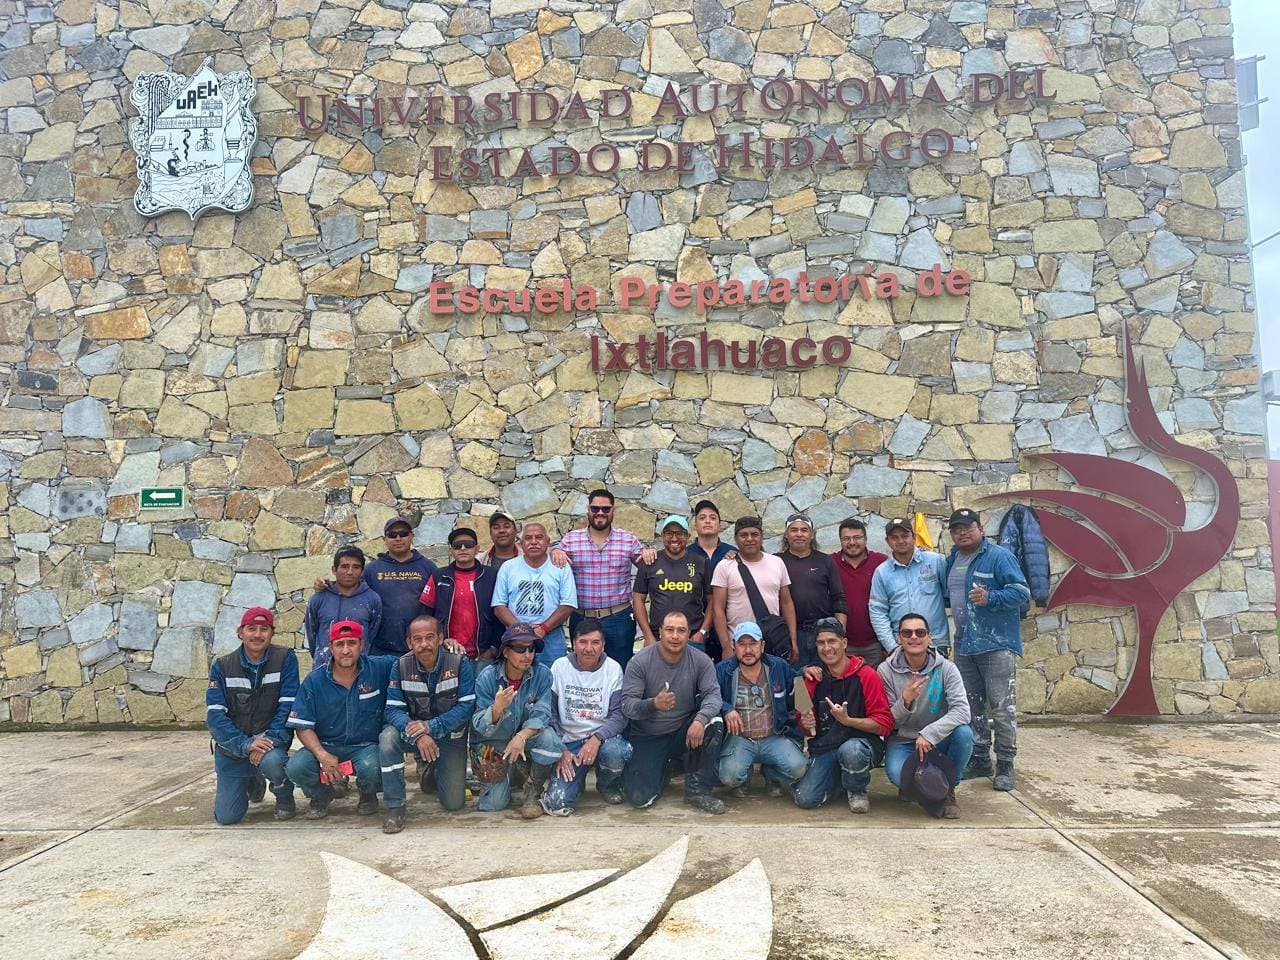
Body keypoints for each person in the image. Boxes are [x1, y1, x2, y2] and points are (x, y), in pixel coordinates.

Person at [944, 508, 1031, 792]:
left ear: (981, 529)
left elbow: (1022, 593)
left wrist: (990, 597)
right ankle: (980, 758)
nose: (962, 533)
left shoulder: (999, 556)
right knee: (971, 706)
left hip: (996, 644)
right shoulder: (953, 559)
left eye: (968, 527)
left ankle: (1005, 763)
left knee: (1002, 707)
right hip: (964, 642)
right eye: (957, 529)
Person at [285, 621, 394, 820]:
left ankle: (367, 793)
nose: (345, 650)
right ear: (330, 647)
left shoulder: (379, 668)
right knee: (296, 767)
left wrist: (445, 648)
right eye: (339, 644)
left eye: (352, 643)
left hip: (365, 747)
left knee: (374, 767)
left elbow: (412, 660)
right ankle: (321, 795)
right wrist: (322, 755)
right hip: (326, 745)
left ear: (361, 645)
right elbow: (302, 726)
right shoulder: (314, 681)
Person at [620, 610, 725, 814]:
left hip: (683, 731)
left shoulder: (701, 660)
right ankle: (666, 768)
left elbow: (713, 695)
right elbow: (627, 706)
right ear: (660, 632)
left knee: (714, 722)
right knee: (640, 800)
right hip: (648, 735)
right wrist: (653, 704)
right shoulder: (640, 661)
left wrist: (700, 720)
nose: (675, 636)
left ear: (688, 634)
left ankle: (697, 790)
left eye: (681, 630)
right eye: (669, 630)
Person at [379, 615, 475, 833]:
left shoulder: (459, 662)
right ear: (409, 643)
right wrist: (420, 735)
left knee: (454, 803)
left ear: (440, 638)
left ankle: (433, 771)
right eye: (418, 639)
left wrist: (432, 727)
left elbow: (467, 706)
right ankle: (395, 807)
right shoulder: (400, 666)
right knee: (387, 738)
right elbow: (392, 709)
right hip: (415, 735)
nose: (424, 644)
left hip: (450, 736)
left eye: (430, 637)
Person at [205, 607, 298, 824]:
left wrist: (269, 741)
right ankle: (253, 780)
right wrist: (246, 745)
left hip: (269, 745)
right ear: (240, 633)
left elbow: (288, 706)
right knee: (227, 817)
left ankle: (284, 796)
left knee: (274, 762)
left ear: (272, 633)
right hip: (233, 749)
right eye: (251, 629)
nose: (257, 634)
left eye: (264, 629)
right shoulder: (222, 666)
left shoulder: (285, 658)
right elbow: (215, 717)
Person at [878, 613, 973, 819]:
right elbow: (887, 720)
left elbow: (962, 711)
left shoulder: (947, 669)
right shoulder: (885, 671)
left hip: (938, 738)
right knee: (896, 775)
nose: (914, 637)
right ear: (899, 638)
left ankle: (947, 789)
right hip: (903, 740)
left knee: (964, 735)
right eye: (907, 633)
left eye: (920, 632)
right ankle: (919, 785)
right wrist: (905, 701)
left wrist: (930, 733)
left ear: (929, 637)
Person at [793, 618, 893, 813]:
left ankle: (856, 789)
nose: (827, 648)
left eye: (832, 641)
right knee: (804, 799)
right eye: (821, 643)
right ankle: (840, 781)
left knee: (851, 751)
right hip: (826, 747)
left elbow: (884, 724)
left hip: (861, 745)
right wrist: (805, 722)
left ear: (844, 643)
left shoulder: (867, 675)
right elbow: (804, 727)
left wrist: (849, 721)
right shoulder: (810, 679)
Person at [470, 624, 565, 818]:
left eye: (531, 649)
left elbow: (542, 714)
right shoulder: (487, 677)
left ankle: (533, 792)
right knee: (493, 805)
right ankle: (513, 771)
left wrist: (521, 736)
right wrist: (496, 709)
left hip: (525, 739)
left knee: (551, 741)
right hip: (492, 743)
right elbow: (479, 726)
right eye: (520, 649)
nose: (527, 655)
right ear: (505, 652)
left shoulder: (543, 674)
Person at [541, 618, 631, 816]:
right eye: (583, 642)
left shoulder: (613, 668)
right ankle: (576, 782)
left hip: (603, 739)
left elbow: (619, 715)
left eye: (595, 642)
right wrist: (560, 748)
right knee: (556, 802)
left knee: (616, 752)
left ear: (603, 645)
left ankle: (607, 785)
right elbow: (549, 713)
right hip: (569, 742)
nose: (589, 648)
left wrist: (596, 739)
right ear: (573, 644)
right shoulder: (559, 667)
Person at [311, 518, 434, 659]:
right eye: (392, 535)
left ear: (412, 536)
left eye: (403, 533)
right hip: (380, 649)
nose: (398, 538)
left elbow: (438, 605)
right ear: (384, 539)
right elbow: (350, 586)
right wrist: (325, 585)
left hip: (419, 646)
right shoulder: (372, 569)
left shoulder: (428, 567)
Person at [559, 489, 653, 670]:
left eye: (605, 509)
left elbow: (647, 565)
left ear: (613, 510)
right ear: (588, 510)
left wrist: (650, 552)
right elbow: (554, 561)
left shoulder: (628, 539)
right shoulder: (571, 540)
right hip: (582, 617)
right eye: (595, 508)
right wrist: (555, 552)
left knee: (620, 670)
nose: (600, 513)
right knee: (583, 672)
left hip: (618, 619)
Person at [715, 622, 807, 798]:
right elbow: (709, 695)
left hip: (773, 736)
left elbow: (797, 683)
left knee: (799, 769)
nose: (748, 650)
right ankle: (744, 776)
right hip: (740, 739)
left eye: (753, 643)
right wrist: (726, 709)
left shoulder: (777, 666)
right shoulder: (723, 670)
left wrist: (806, 711)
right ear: (734, 646)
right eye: (742, 644)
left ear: (762, 645)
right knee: (729, 777)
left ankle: (771, 773)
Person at [710, 516, 798, 663]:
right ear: (736, 539)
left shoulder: (777, 563)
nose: (749, 539)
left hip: (773, 643)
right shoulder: (724, 566)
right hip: (739, 645)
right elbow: (718, 609)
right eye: (744, 535)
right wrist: (726, 646)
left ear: (762, 537)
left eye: (754, 534)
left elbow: (786, 603)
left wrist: (792, 641)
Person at [493, 522, 578, 668]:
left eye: (539, 537)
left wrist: (543, 628)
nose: (533, 542)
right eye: (528, 538)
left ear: (548, 541)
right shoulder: (508, 567)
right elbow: (498, 606)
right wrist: (521, 631)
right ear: (521, 543)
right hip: (516, 638)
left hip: (551, 637)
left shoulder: (560, 567)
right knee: (517, 678)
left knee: (552, 678)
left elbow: (568, 604)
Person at [869, 517, 949, 659]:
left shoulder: (935, 561)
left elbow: (950, 593)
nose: (900, 541)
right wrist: (892, 647)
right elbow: (878, 611)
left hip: (936, 643)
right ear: (887, 541)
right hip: (901, 646)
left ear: (914, 536)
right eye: (894, 537)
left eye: (905, 536)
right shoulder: (882, 572)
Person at [419, 527, 502, 661]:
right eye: (457, 546)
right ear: (451, 551)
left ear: (477, 548)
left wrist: (493, 649)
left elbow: (500, 613)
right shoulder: (439, 576)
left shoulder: (491, 575)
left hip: (482, 655)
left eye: (468, 544)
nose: (463, 548)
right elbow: (426, 615)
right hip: (447, 652)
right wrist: (440, 641)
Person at [632, 515, 711, 653]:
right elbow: (638, 599)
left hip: (692, 639)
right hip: (657, 638)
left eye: (679, 533)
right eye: (669, 533)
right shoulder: (650, 562)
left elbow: (713, 600)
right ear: (662, 536)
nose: (674, 538)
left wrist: (703, 632)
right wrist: (648, 635)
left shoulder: (701, 562)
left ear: (688, 536)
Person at [776, 513, 846, 666]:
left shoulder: (825, 561)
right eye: (794, 530)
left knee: (825, 677)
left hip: (822, 632)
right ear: (786, 535)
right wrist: (733, 555)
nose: (799, 534)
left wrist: (839, 634)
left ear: (812, 535)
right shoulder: (776, 561)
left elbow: (838, 598)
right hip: (790, 635)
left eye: (804, 530)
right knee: (796, 678)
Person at [306, 546, 382, 664]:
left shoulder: (372, 599)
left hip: (359, 668)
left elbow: (372, 635)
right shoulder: (318, 599)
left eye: (356, 567)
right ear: (334, 569)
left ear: (362, 571)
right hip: (324, 667)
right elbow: (312, 634)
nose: (350, 572)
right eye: (344, 566)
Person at [832, 517, 888, 668]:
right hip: (843, 643)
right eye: (846, 539)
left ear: (866, 539)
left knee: (876, 681)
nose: (852, 542)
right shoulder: (830, 563)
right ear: (840, 541)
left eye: (857, 537)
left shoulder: (881, 562)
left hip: (875, 643)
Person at [689, 499, 737, 661]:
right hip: (694, 628)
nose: (708, 521)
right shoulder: (686, 554)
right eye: (702, 518)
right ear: (695, 525)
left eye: (712, 517)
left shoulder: (733, 553)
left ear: (720, 525)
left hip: (727, 626)